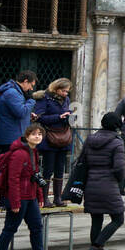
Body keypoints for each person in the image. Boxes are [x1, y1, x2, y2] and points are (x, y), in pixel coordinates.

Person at [0, 124, 55, 250]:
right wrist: (14, 202)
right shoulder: (19, 154)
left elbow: (35, 175)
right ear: (27, 137)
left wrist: (39, 196)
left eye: (40, 134)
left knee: (37, 226)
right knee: (10, 228)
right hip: (19, 197)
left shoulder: (34, 152)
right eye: (34, 134)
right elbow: (13, 179)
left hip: (30, 196)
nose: (37, 137)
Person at [81, 112, 125, 250]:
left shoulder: (90, 139)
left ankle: (96, 249)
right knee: (118, 218)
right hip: (108, 184)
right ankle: (96, 246)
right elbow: (119, 167)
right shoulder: (117, 142)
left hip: (91, 183)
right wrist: (120, 182)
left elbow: (83, 161)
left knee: (96, 218)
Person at [32, 78, 74, 208]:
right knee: (48, 169)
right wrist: (58, 117)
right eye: (63, 91)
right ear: (56, 89)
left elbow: (67, 112)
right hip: (50, 137)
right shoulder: (44, 98)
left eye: (67, 91)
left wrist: (69, 115)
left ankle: (58, 198)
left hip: (63, 136)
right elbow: (39, 117)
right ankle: (44, 198)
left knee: (60, 169)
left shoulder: (66, 99)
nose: (65, 94)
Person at [0, 69, 37, 154]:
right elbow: (20, 112)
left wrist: (29, 115)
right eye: (31, 85)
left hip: (16, 135)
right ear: (25, 81)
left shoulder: (16, 92)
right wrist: (31, 101)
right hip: (12, 137)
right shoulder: (12, 93)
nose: (31, 89)